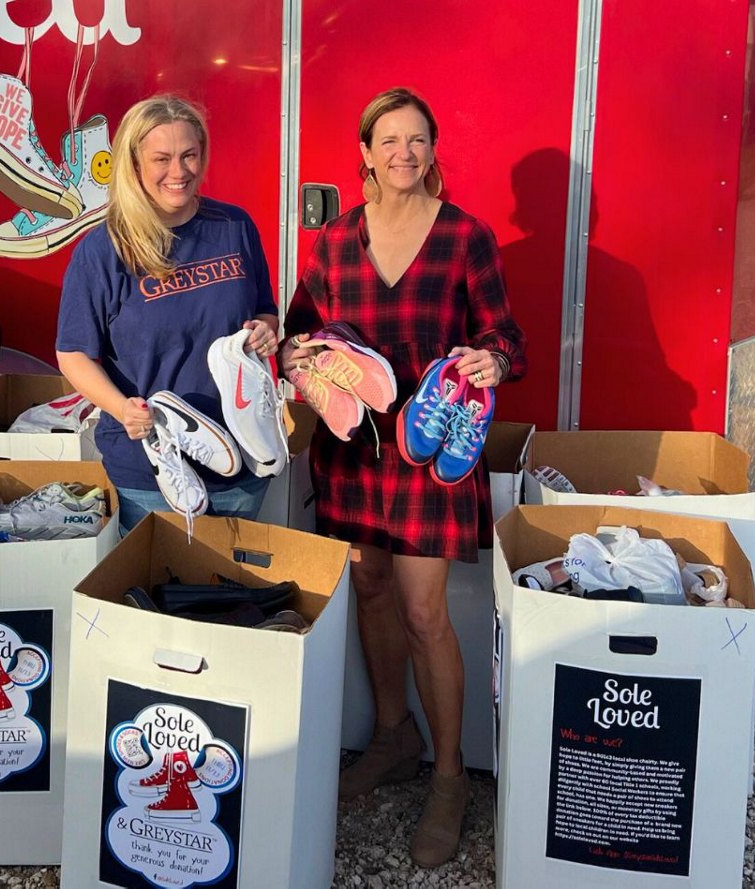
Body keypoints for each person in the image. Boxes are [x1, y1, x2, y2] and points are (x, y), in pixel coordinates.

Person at [280, 87, 526, 867]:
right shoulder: (331, 241)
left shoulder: (465, 237)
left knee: (424, 612)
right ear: (365, 152)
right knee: (372, 586)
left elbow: (502, 333)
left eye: (417, 139)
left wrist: (495, 359)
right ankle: (392, 735)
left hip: (432, 450)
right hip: (353, 449)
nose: (404, 153)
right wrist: (291, 354)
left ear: (432, 149)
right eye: (390, 140)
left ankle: (448, 778)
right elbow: (298, 329)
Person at [56, 94, 280, 531]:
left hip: (244, 456)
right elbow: (73, 354)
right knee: (159, 597)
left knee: (232, 596)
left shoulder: (234, 227)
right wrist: (123, 409)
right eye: (161, 159)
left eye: (189, 155)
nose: (178, 173)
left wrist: (265, 332)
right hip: (152, 470)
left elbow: (265, 312)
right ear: (134, 164)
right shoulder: (105, 250)